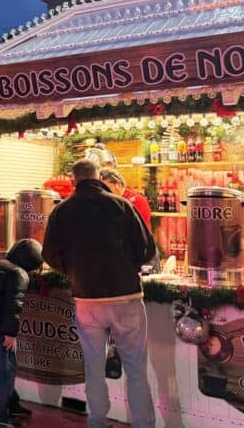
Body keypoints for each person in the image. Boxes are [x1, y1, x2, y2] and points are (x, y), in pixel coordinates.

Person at [43, 160, 157, 428]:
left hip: (87, 299)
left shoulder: (61, 211)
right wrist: (127, 266)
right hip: (125, 296)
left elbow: (49, 254)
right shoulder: (121, 205)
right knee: (135, 368)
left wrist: (73, 270)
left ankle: (96, 422)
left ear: (74, 180)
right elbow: (146, 249)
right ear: (98, 177)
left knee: (93, 366)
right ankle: (143, 424)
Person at [0, 239, 43, 427]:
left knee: (5, 367)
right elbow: (13, 306)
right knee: (5, 371)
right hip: (0, 328)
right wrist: (10, 333)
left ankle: (13, 405)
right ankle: (0, 416)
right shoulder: (19, 274)